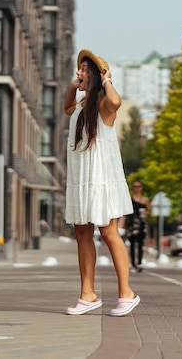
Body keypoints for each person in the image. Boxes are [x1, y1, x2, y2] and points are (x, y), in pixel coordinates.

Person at [64, 49, 140, 317]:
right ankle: (88, 294)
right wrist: (73, 88)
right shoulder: (83, 106)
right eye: (79, 69)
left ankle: (126, 292)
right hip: (82, 178)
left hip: (101, 179)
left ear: (95, 74)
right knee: (82, 234)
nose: (78, 73)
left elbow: (117, 102)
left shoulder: (105, 105)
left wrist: (108, 80)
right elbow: (67, 108)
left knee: (109, 233)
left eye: (84, 69)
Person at [126, 181, 150, 272]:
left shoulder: (145, 199)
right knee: (132, 244)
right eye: (135, 186)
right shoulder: (130, 198)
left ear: (141, 187)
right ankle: (133, 264)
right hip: (131, 223)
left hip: (141, 223)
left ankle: (139, 262)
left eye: (138, 186)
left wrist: (145, 213)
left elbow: (148, 211)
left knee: (140, 243)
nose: (137, 188)